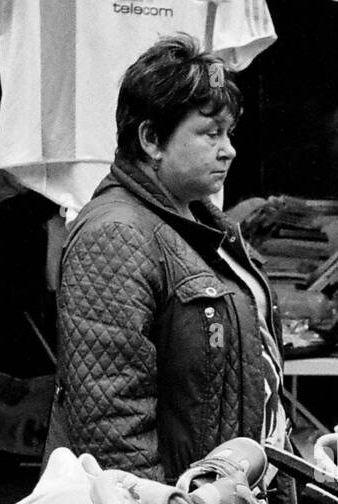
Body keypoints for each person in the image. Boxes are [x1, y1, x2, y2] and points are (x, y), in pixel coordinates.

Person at [45, 34, 287, 480]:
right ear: (152, 138)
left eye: (228, 133)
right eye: (210, 133)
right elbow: (111, 424)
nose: (228, 149)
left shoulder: (196, 221)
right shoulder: (116, 235)